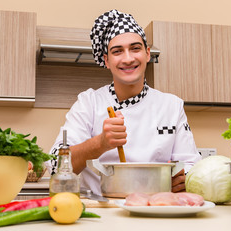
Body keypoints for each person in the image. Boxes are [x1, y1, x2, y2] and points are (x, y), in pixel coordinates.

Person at [46, 9, 201, 195]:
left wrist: (185, 178)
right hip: (102, 211)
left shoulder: (171, 106)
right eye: (117, 51)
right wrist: (100, 143)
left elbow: (191, 164)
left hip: (156, 209)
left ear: (147, 54)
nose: (128, 58)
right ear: (107, 61)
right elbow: (55, 165)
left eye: (135, 48)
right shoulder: (88, 103)